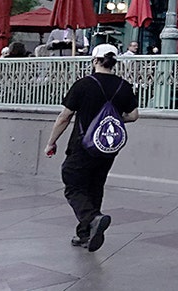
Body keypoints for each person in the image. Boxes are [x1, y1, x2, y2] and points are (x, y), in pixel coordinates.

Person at [44, 44, 140, 252]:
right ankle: (85, 233)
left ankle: (92, 218)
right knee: (95, 186)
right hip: (107, 146)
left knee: (72, 182)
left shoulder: (83, 85)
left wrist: (52, 141)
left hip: (82, 144)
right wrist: (113, 119)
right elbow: (133, 116)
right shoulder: (123, 85)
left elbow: (64, 117)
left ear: (95, 61)